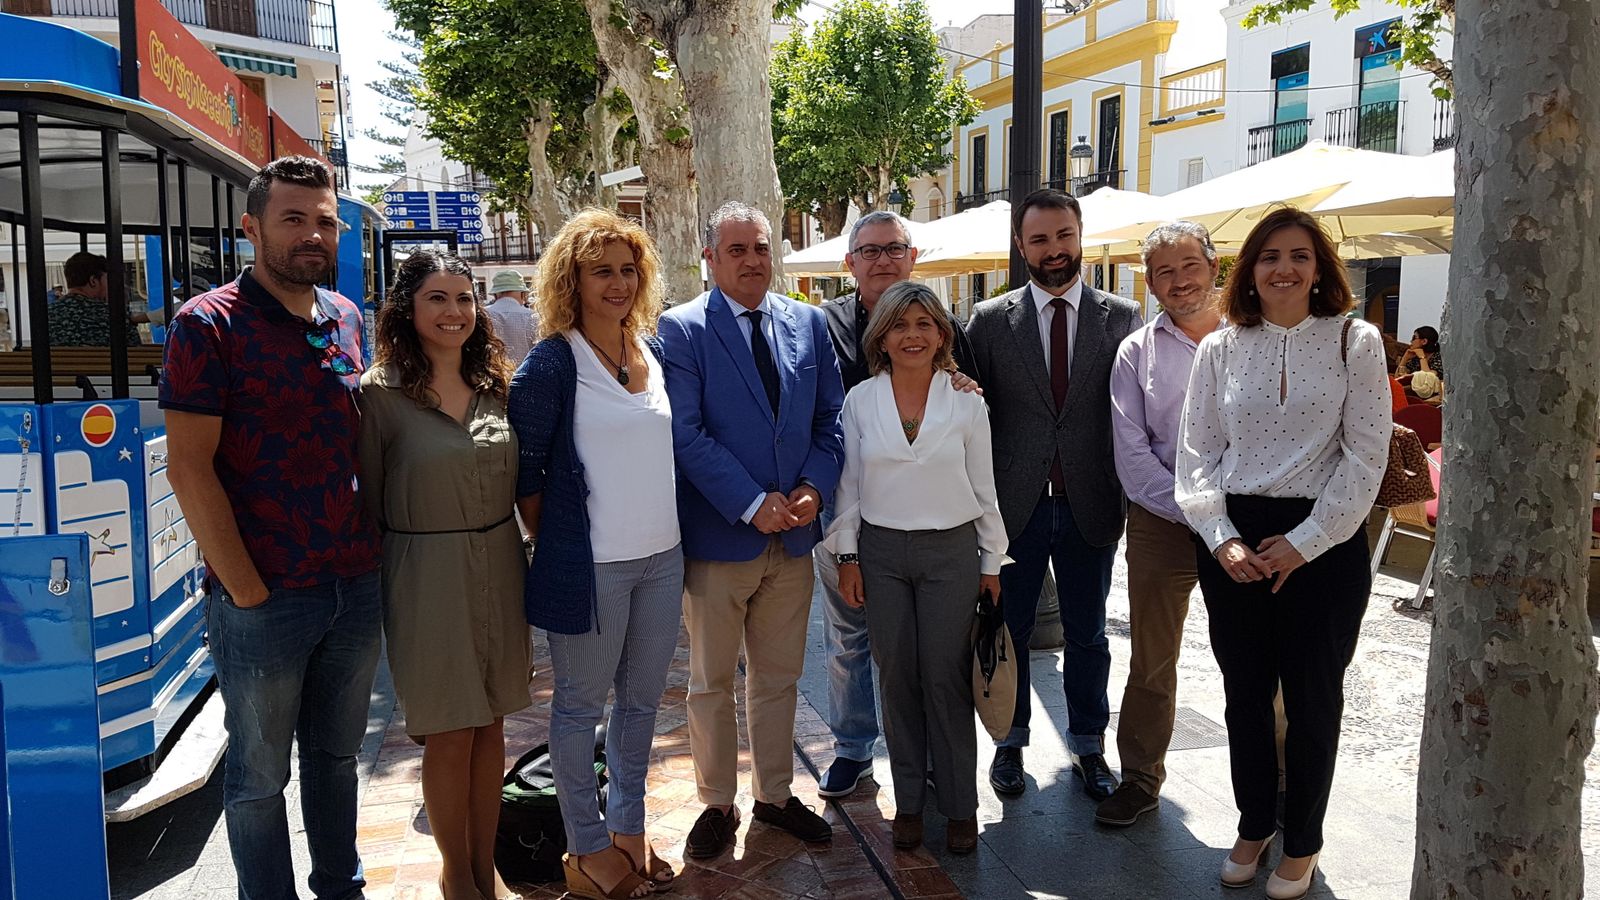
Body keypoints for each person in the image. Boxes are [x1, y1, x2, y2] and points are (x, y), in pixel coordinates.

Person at [160, 156, 383, 900]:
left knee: (336, 757)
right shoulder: (207, 324)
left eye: (325, 220)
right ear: (251, 227)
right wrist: (248, 589)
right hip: (266, 596)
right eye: (294, 218)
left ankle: (339, 887)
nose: (313, 234)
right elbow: (189, 468)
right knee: (258, 778)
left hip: (352, 586)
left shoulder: (345, 316)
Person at [1176, 207, 1389, 899]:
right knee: (1244, 698)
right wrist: (1222, 538)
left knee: (1312, 699)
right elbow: (1197, 456)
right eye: (1269, 256)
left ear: (1321, 267)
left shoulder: (1356, 342)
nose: (1284, 268)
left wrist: (1304, 544)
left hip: (1324, 544)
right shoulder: (1221, 347)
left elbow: (1366, 457)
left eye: (1300, 255)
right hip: (1235, 541)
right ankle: (1253, 823)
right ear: (1248, 270)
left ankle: (1303, 839)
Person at [658, 201, 845, 859]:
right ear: (709, 258)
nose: (752, 261)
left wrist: (813, 487)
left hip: (792, 539)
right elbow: (686, 432)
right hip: (720, 538)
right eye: (736, 250)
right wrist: (749, 501)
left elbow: (831, 422)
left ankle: (773, 795)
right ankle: (716, 803)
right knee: (710, 681)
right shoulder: (680, 330)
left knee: (779, 677)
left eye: (761, 248)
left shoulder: (809, 324)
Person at [508, 208, 681, 900]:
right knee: (579, 708)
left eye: (627, 269)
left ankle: (628, 830)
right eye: (600, 269)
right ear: (570, 279)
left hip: (663, 558)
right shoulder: (554, 361)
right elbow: (527, 482)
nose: (616, 282)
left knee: (640, 705)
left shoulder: (648, 348)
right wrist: (564, 546)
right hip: (594, 570)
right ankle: (584, 849)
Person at [358, 250, 529, 900]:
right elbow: (369, 500)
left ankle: (488, 871)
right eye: (439, 297)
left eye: (465, 298)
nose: (455, 311)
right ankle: (457, 878)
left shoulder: (495, 384)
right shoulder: (379, 395)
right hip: (424, 572)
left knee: (492, 728)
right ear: (409, 307)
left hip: (500, 562)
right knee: (450, 730)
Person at [963, 188, 1142, 800]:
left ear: (1079, 236)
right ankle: (1009, 745)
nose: (1054, 250)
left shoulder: (1122, 318)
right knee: (1007, 630)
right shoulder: (989, 321)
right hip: (1014, 510)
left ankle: (1089, 747)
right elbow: (969, 411)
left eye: (1063, 235)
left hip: (1091, 504)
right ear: (1021, 247)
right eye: (1039, 239)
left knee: (1089, 635)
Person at [824, 280, 1005, 854]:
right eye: (900, 325)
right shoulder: (860, 401)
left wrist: (992, 562)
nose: (912, 335)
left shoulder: (967, 401)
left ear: (941, 334)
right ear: (882, 336)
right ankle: (908, 803)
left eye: (924, 323)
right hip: (880, 553)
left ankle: (959, 806)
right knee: (896, 675)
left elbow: (985, 487)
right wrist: (848, 557)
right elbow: (847, 489)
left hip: (951, 552)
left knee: (945, 677)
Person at [814, 210, 977, 799]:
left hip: (928, 523)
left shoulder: (941, 324)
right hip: (846, 507)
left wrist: (961, 386)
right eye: (869, 250)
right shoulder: (820, 325)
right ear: (849, 262)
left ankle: (929, 757)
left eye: (894, 249)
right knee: (849, 638)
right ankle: (853, 749)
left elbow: (967, 393)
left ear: (913, 257)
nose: (882, 259)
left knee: (929, 654)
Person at [1098, 221, 1226, 826]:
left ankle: (1276, 786)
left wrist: (1229, 518)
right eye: (1164, 273)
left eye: (1189, 267)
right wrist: (1195, 514)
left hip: (1250, 521)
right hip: (1161, 519)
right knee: (1151, 659)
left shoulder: (1255, 337)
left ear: (1214, 266)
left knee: (1260, 657)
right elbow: (1131, 448)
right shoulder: (1136, 352)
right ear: (1149, 284)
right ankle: (1140, 779)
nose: (1179, 282)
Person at [48, 251, 143, 346]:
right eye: (107, 280)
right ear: (93, 281)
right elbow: (136, 353)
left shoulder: (46, 315)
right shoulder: (115, 316)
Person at [485, 269, 537, 366]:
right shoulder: (532, 317)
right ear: (523, 294)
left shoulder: (483, 314)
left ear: (496, 294)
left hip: (491, 376)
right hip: (524, 377)